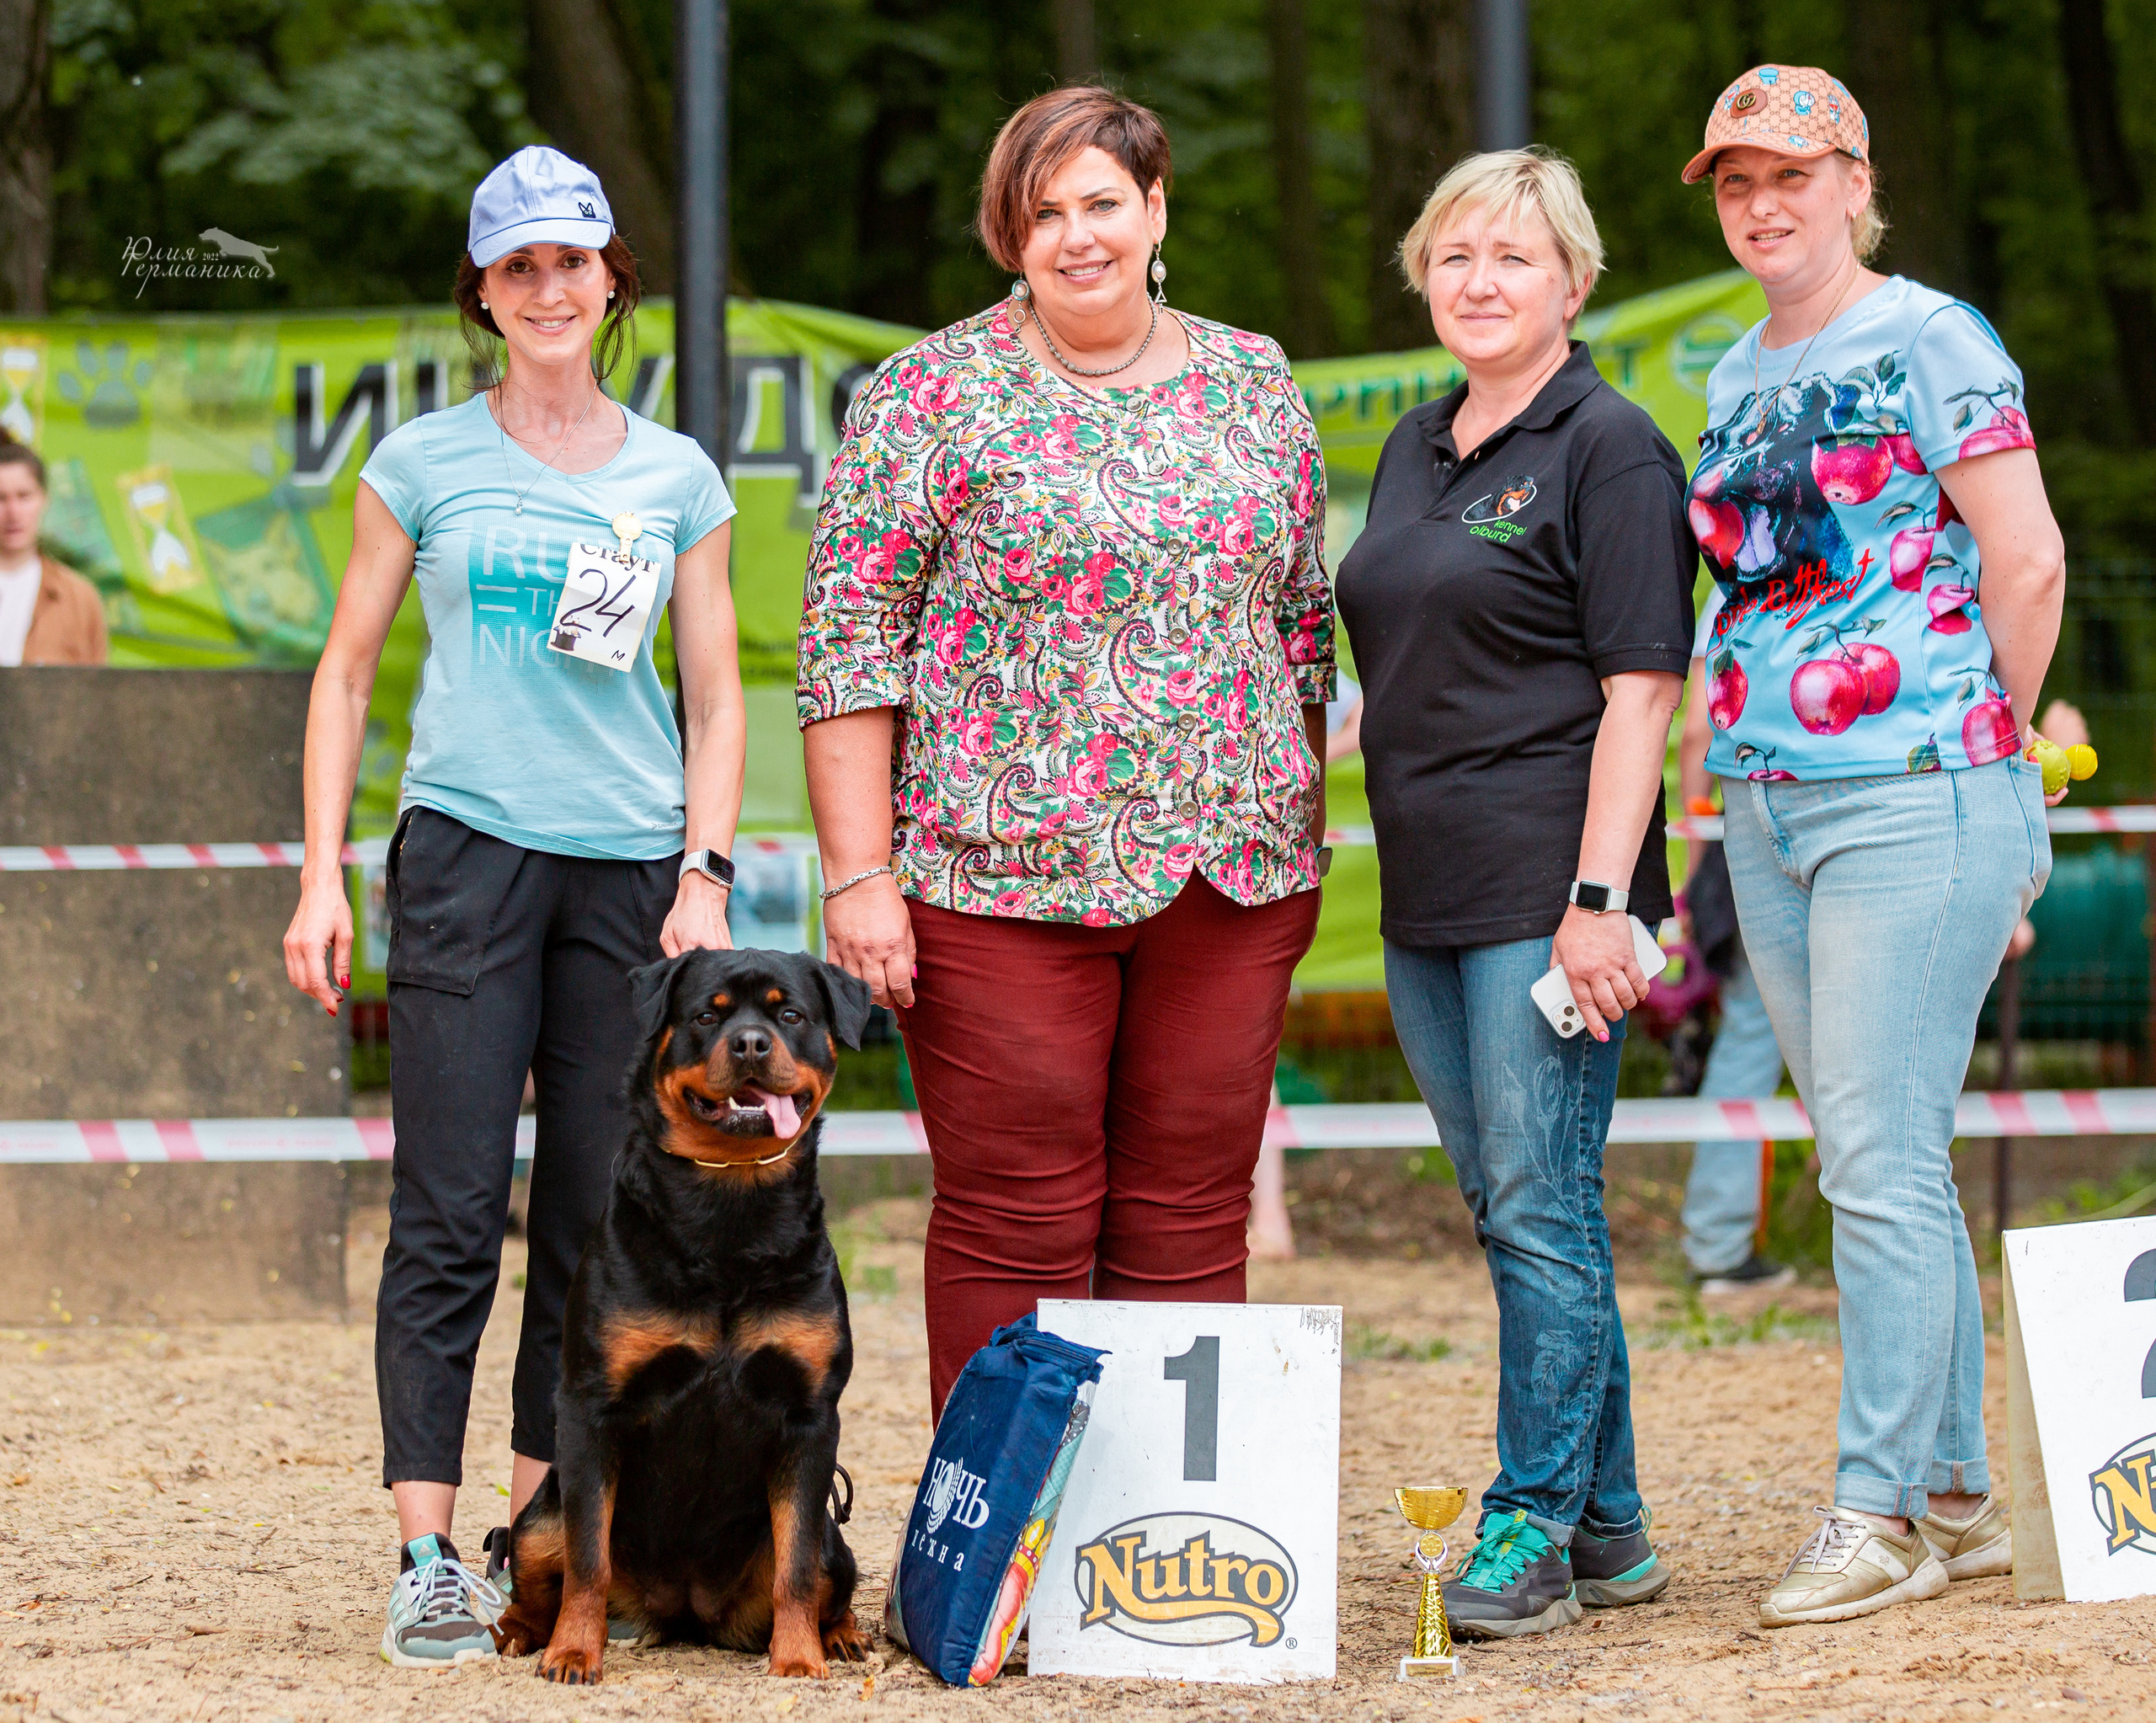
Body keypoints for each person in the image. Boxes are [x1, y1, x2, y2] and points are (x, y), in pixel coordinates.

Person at [798, 85, 1332, 1418]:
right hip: (996, 883)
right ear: (1009, 236)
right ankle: (1000, 1572)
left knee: (1192, 1215)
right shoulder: (925, 392)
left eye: (1103, 203)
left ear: (1157, 211)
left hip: (1233, 878)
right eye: (1043, 212)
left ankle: (1159, 1565)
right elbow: (851, 642)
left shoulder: (1256, 379)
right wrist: (860, 878)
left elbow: (1302, 624)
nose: (1077, 234)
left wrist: (1296, 830)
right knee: (1016, 1218)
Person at [280, 146, 745, 1667]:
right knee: (447, 1214)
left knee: (596, 1228)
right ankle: (423, 1550)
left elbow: (720, 693)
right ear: (484, 293)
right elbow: (346, 674)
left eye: (575, 259)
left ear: (615, 280)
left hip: (629, 875)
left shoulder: (678, 474)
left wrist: (706, 870)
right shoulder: (419, 462)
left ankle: (531, 1534)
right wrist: (320, 872)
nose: (550, 286)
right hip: (467, 858)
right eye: (519, 264)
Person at [1682, 67, 2064, 1628]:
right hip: (1767, 802)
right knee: (1877, 1154)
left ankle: (1877, 1507)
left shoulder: (1933, 336)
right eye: (1734, 182)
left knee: (1879, 1157)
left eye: (1792, 173)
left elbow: (2026, 558)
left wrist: (1987, 738)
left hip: (1917, 785)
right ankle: (1962, 1499)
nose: (1763, 203)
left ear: (1855, 179)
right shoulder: (1728, 371)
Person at [1335, 148, 1692, 1640]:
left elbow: (1643, 689)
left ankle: (1531, 1523)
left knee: (1544, 1209)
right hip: (1425, 886)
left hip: (1554, 895)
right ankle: (1609, 1523)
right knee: (1510, 1206)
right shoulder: (1419, 442)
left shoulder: (1610, 443)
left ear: (1575, 283)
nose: (1482, 282)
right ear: (1426, 272)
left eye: (1516, 259)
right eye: (1458, 254)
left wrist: (1602, 896)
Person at [1677, 583, 1794, 1294]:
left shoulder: (1735, 583)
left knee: (1751, 1034)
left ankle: (1719, 1240)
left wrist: (1694, 870)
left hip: (1750, 829)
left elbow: (1696, 733)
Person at [0, 439, 107, 666]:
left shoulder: (80, 599)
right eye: (1, 498)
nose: (13, 512)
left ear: (44, 500)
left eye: (24, 496)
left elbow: (97, 693)